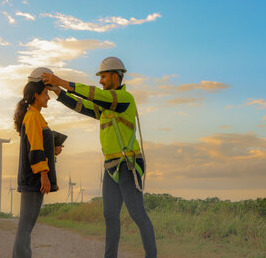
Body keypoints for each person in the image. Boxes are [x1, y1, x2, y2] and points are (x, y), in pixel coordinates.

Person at [42, 57, 157, 258]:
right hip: (111, 166)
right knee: (110, 215)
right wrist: (58, 91)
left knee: (137, 214)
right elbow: (82, 105)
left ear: (115, 76)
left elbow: (92, 94)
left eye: (103, 76)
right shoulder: (106, 106)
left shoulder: (124, 99)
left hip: (128, 163)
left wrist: (62, 81)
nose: (101, 81)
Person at [12, 68, 65, 258]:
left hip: (34, 178)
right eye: (46, 93)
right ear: (36, 95)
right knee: (25, 227)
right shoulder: (33, 116)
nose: (49, 97)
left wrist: (54, 149)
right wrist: (43, 175)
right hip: (33, 179)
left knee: (27, 226)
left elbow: (41, 145)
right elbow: (35, 149)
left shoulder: (36, 115)